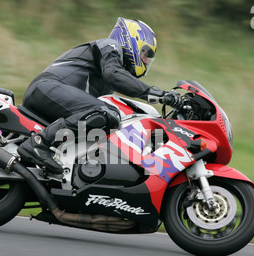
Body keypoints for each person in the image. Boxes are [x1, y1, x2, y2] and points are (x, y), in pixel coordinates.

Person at [17, 17, 182, 174]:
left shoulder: (107, 84)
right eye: (145, 54)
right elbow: (114, 74)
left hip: (53, 98)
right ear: (131, 40)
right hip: (47, 88)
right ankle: (39, 143)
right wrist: (157, 94)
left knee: (108, 120)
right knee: (105, 112)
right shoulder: (110, 46)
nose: (145, 62)